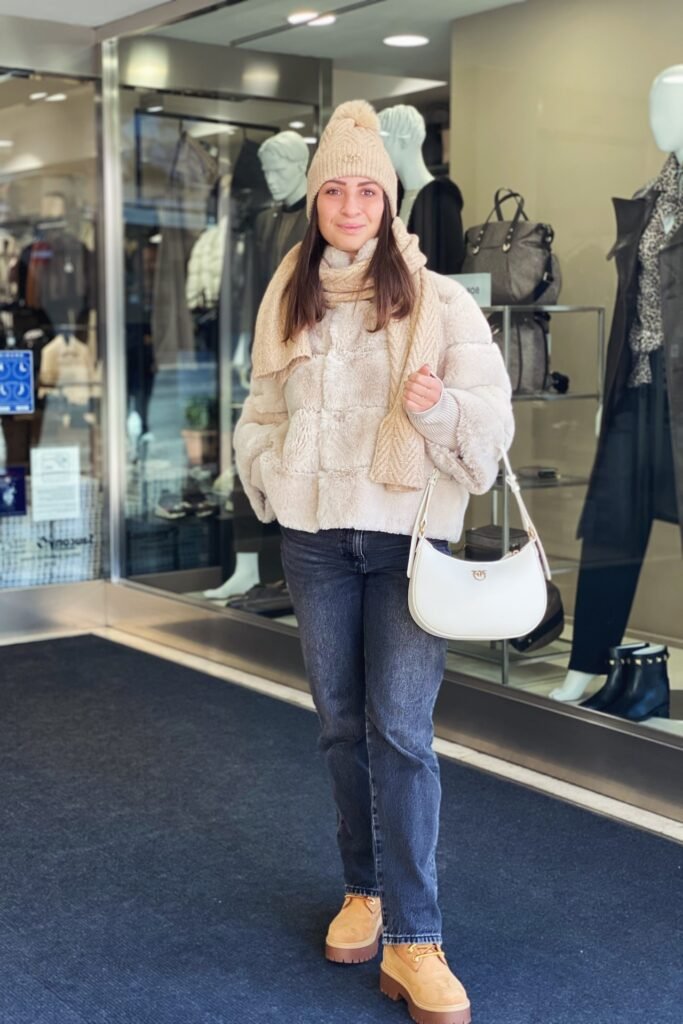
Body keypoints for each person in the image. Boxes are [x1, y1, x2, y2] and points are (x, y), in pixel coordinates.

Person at [234, 100, 513, 1024]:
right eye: (336, 189)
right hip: (315, 541)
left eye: (368, 190)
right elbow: (260, 413)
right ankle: (364, 890)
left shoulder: (440, 299)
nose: (351, 205)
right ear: (316, 200)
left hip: (402, 540)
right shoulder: (288, 294)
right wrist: (270, 480)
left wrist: (437, 410)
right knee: (338, 723)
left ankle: (417, 937)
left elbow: (489, 428)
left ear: (389, 202)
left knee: (400, 730)